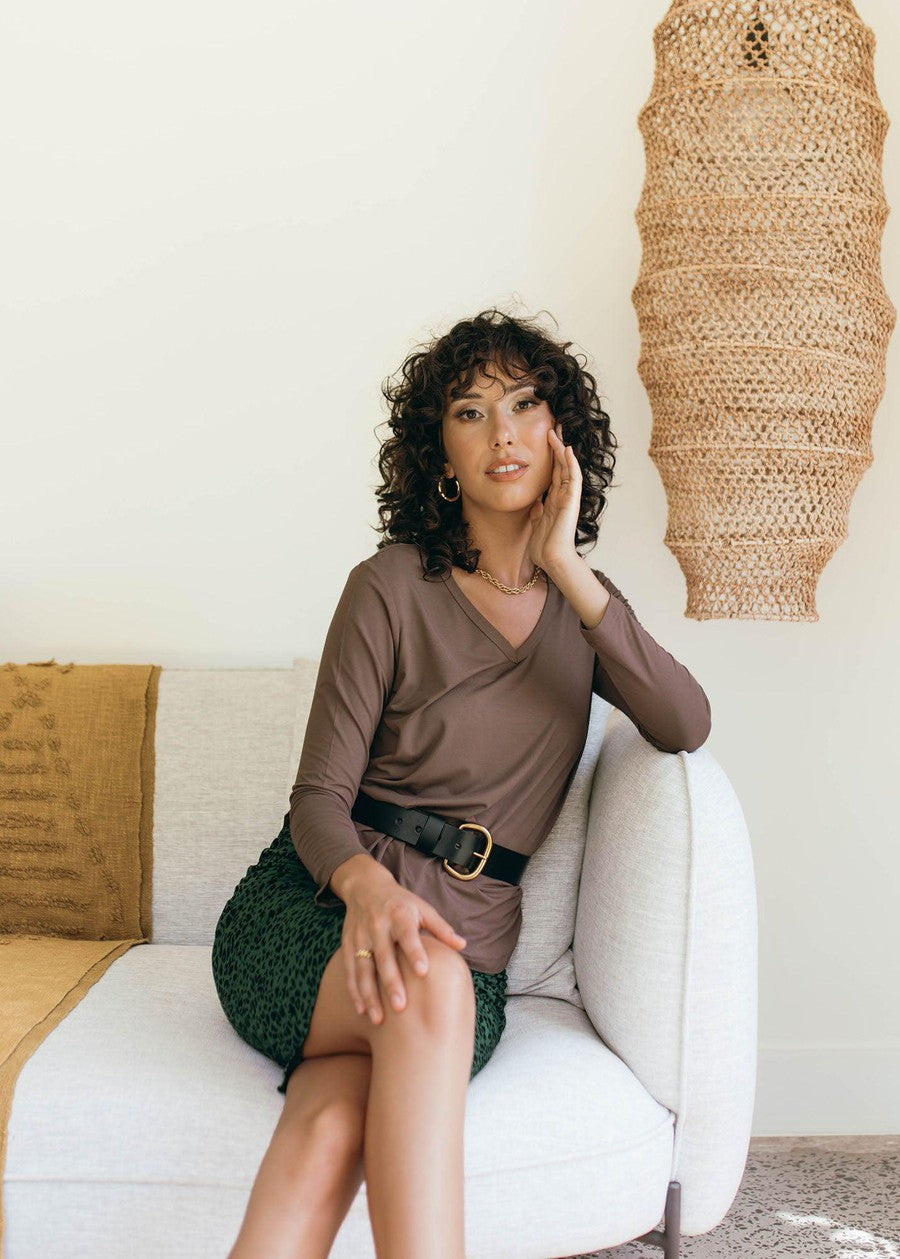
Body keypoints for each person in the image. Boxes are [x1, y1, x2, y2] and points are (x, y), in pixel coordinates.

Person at [211, 306, 712, 1259]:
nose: (502, 433)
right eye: (470, 412)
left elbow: (685, 721)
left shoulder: (586, 614)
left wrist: (565, 566)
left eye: (524, 404)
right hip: (316, 918)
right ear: (441, 452)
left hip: (464, 953)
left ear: (560, 433)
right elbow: (317, 800)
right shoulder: (390, 586)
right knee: (424, 980)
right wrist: (369, 893)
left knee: (331, 1124)